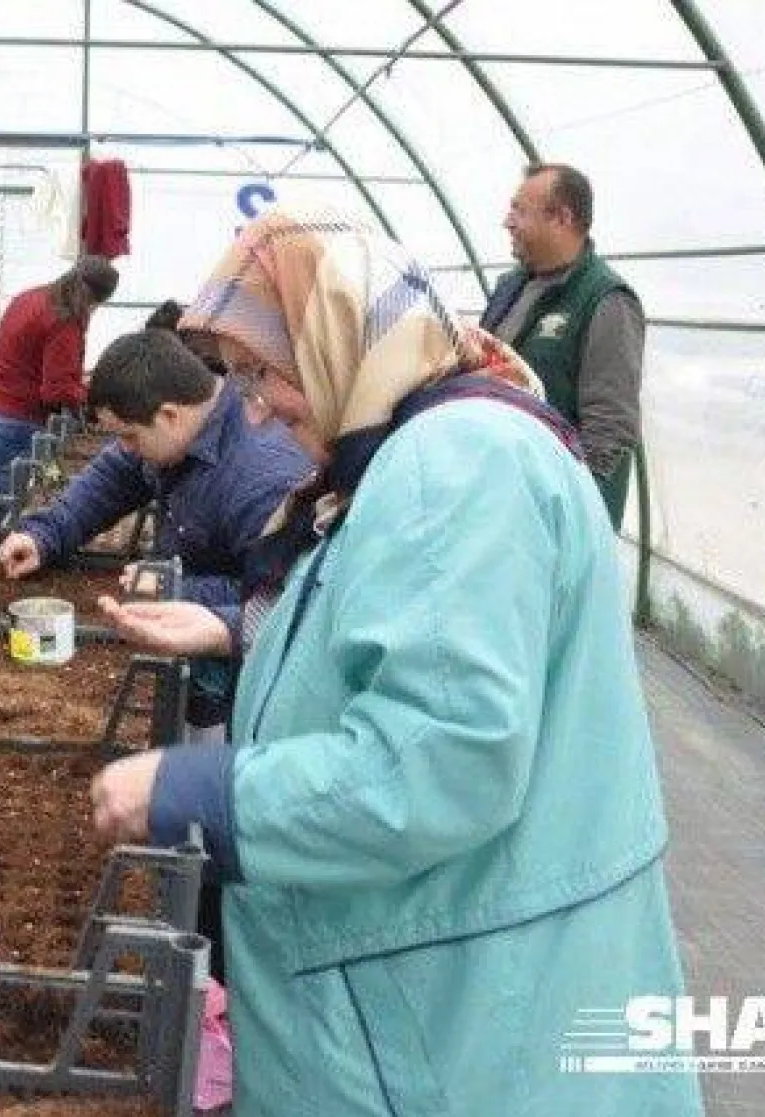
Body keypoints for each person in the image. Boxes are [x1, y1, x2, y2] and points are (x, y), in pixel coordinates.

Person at [89, 206, 700, 1115]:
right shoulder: (417, 446)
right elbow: (400, 639)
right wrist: (234, 630)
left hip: (454, 1019)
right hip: (442, 976)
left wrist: (200, 789)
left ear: (339, 338)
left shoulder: (454, 465)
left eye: (263, 372)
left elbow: (441, 756)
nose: (255, 406)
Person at [0, 329, 312, 729]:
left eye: (129, 436)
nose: (124, 447)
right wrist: (46, 534)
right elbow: (114, 476)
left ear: (169, 415)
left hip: (240, 673)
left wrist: (173, 586)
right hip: (188, 638)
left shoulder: (259, 480)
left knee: (207, 737)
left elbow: (281, 603)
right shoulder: (175, 432)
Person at [481, 163, 644, 526]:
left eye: (519, 211)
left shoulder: (605, 299)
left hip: (551, 514)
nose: (508, 222)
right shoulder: (510, 286)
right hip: (498, 494)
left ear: (562, 218)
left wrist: (576, 521)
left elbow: (609, 429)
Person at [0, 255, 119, 491]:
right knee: (24, 508)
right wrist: (93, 396)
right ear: (97, 300)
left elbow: (0, 350)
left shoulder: (28, 297)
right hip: (16, 427)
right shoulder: (66, 317)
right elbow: (56, 391)